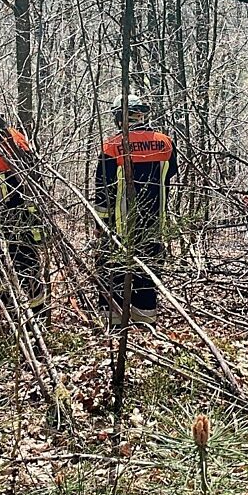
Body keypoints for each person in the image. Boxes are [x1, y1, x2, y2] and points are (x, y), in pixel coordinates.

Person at [94, 94, 177, 325]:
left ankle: (114, 322)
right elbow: (169, 176)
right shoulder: (165, 143)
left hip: (119, 228)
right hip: (154, 225)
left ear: (120, 117)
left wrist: (100, 226)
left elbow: (103, 191)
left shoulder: (112, 146)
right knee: (147, 274)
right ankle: (145, 322)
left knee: (113, 272)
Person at [0, 125, 47, 319]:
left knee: (21, 262)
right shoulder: (3, 141)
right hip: (13, 215)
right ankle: (12, 308)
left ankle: (31, 312)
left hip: (16, 216)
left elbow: (7, 188)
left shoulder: (4, 146)